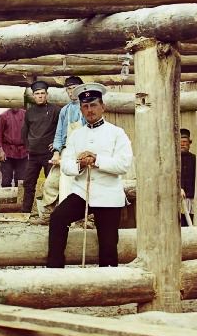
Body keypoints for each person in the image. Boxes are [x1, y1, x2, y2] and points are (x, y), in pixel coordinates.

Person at [46, 83, 133, 268]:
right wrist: (80, 164)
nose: (89, 110)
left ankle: (108, 283)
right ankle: (54, 270)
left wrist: (96, 159)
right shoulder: (76, 135)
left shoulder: (117, 133)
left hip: (108, 195)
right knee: (57, 218)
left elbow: (123, 164)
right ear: (81, 109)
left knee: (108, 246)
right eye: (85, 106)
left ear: (103, 107)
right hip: (82, 193)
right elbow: (66, 166)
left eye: (93, 105)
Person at [20, 80, 62, 219]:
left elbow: (60, 130)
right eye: (37, 94)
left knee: (52, 183)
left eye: (42, 93)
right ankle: (25, 212)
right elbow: (24, 132)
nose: (40, 96)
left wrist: (56, 145)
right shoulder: (29, 112)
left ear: (47, 95)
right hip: (33, 155)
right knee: (29, 183)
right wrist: (28, 146)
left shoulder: (56, 110)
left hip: (49, 154)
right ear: (33, 96)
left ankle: (53, 213)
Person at [43, 75, 85, 213]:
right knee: (52, 182)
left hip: (82, 152)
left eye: (74, 88)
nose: (71, 91)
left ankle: (86, 217)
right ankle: (50, 212)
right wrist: (56, 152)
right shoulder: (65, 110)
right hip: (66, 151)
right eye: (68, 89)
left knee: (80, 184)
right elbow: (59, 133)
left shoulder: (86, 108)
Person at [0, 106, 27, 188]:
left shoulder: (26, 115)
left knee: (21, 180)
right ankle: (6, 199)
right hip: (7, 152)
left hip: (22, 152)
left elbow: (30, 132)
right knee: (6, 180)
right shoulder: (3, 116)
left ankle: (20, 200)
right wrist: (1, 150)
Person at [179, 127, 196, 224]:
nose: (182, 144)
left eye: (185, 142)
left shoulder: (195, 159)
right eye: (180, 141)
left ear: (189, 143)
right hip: (177, 199)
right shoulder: (172, 160)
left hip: (192, 199)